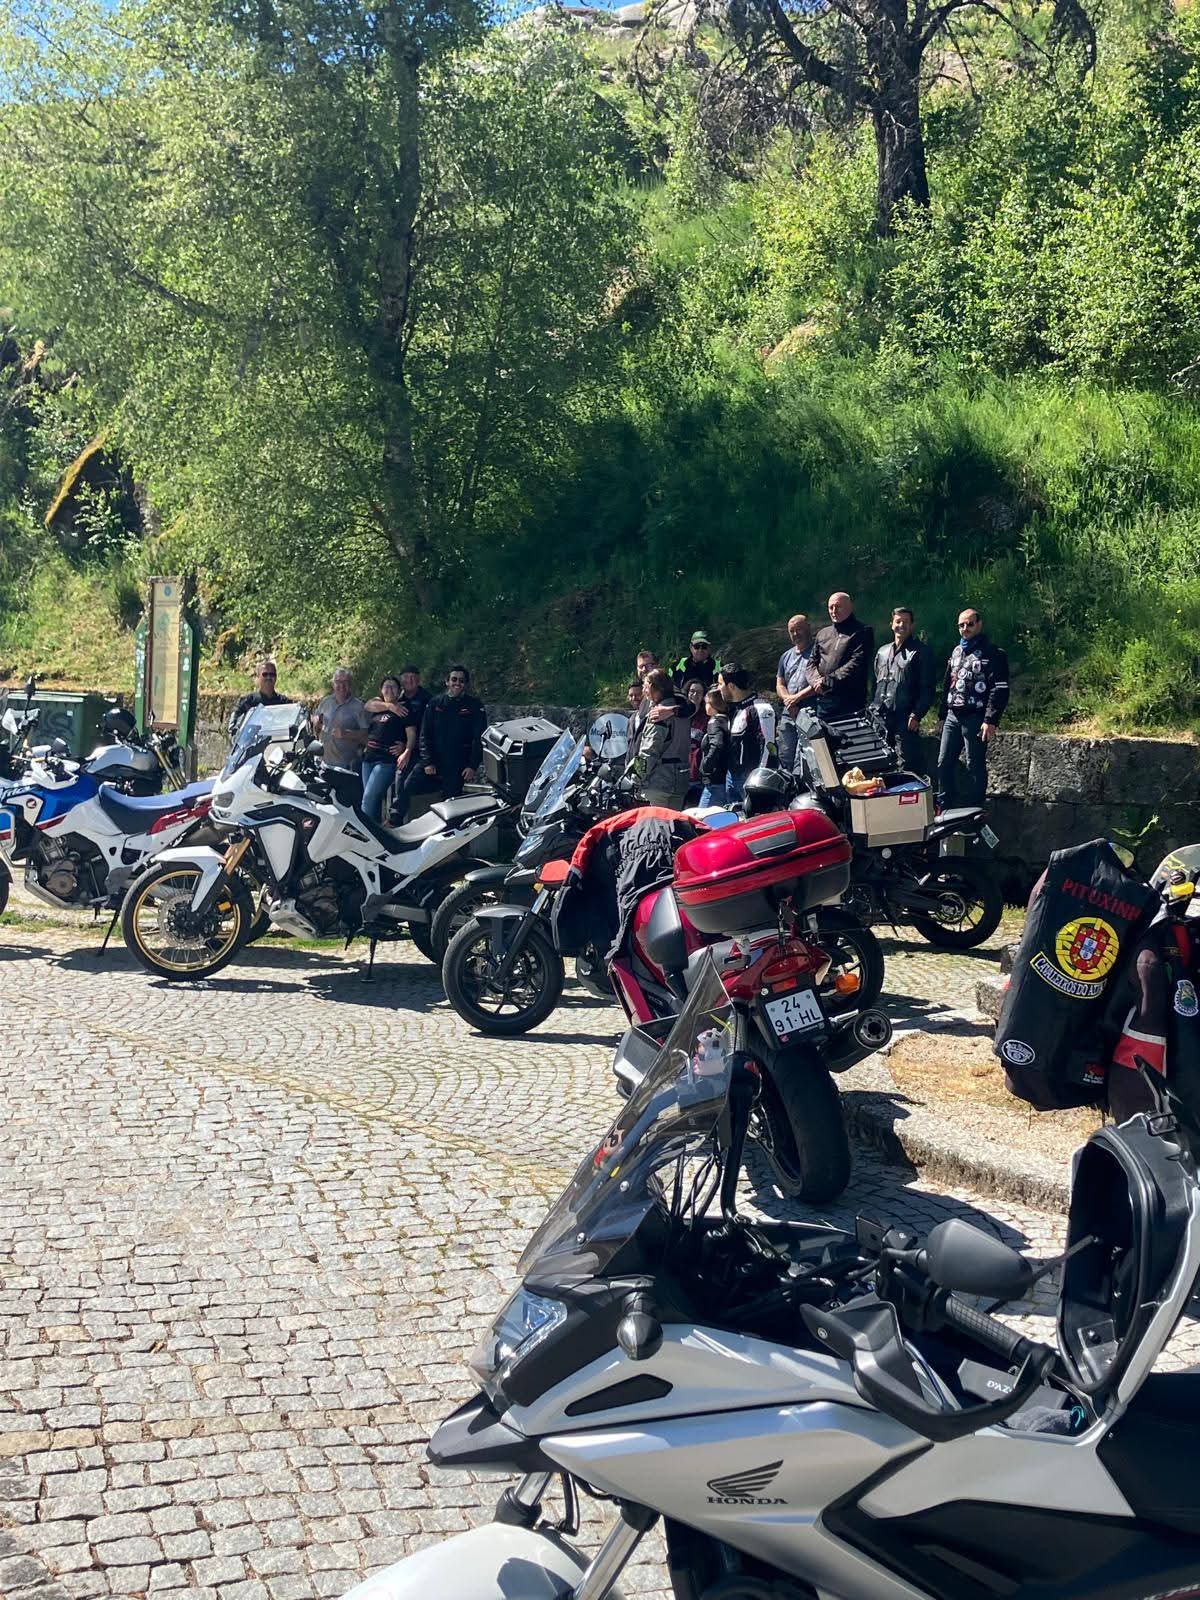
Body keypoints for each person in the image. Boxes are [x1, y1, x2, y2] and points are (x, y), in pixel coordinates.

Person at [936, 607, 1010, 812]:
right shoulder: (956, 651)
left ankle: (974, 809)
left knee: (974, 764)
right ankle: (944, 804)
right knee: (944, 761)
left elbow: (999, 689)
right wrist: (942, 714)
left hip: (976, 717)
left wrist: (991, 719)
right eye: (961, 625)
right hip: (953, 715)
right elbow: (948, 684)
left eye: (969, 624)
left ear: (979, 624)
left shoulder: (993, 653)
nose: (965, 628)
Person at [405, 665, 487, 811]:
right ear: (447, 682)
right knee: (408, 785)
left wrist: (472, 766)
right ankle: (394, 819)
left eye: (461, 681)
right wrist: (428, 761)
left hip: (458, 763)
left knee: (452, 803)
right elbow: (425, 734)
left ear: (466, 684)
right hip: (434, 760)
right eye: (454, 679)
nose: (457, 683)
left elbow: (479, 738)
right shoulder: (435, 703)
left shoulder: (475, 705)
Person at [870, 607, 937, 775]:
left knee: (905, 763)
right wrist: (871, 710)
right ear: (891, 624)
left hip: (905, 717)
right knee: (879, 761)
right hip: (880, 716)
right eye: (898, 621)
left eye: (906, 622)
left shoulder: (921, 652)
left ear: (912, 625)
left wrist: (917, 714)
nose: (901, 625)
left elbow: (927, 688)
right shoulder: (882, 651)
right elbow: (875, 684)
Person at [631, 668, 692, 810]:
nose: (643, 691)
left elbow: (648, 750)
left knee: (654, 823)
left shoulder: (658, 713)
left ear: (653, 687)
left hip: (658, 782)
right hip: (680, 779)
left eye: (645, 686)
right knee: (674, 823)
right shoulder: (682, 712)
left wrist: (635, 777)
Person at [806, 593, 873, 720]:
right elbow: (811, 662)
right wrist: (816, 682)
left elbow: (856, 663)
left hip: (850, 702)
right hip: (823, 701)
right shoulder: (823, 633)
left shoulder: (863, 631)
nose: (834, 611)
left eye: (838, 606)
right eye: (830, 607)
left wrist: (826, 682)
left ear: (850, 607)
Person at [360, 675, 416, 822]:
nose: (389, 689)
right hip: (368, 759)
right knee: (372, 799)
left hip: (386, 761)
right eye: (386, 686)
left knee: (368, 798)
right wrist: (390, 706)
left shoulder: (404, 708)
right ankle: (376, 830)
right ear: (381, 690)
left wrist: (407, 750)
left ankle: (365, 830)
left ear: (399, 691)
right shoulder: (377, 705)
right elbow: (367, 705)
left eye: (393, 686)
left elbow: (411, 733)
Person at [719, 662, 776, 803]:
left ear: (731, 686)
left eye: (720, 684)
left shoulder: (761, 708)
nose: (718, 688)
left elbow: (768, 746)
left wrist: (760, 780)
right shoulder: (734, 708)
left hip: (751, 778)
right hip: (732, 775)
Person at [775, 613, 817, 776]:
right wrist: (788, 700)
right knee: (784, 756)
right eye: (791, 631)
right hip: (788, 714)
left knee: (805, 758)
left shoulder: (818, 652)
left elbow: (820, 682)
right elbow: (780, 684)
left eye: (799, 629)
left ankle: (802, 787)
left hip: (809, 711)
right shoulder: (785, 656)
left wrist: (797, 698)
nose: (795, 634)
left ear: (808, 628)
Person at [313, 667, 370, 771]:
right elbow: (316, 716)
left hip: (345, 765)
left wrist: (345, 734)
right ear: (333, 684)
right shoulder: (325, 702)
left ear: (350, 685)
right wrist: (315, 719)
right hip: (323, 762)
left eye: (345, 682)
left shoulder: (358, 706)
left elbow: (366, 733)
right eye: (338, 682)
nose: (342, 686)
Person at [228, 660, 292, 740]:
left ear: (276, 677)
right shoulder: (248, 701)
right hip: (252, 744)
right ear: (258, 677)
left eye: (272, 674)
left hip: (278, 744)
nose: (269, 677)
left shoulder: (285, 703)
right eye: (265, 674)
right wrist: (235, 736)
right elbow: (233, 725)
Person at [698, 687, 731, 808]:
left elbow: (717, 744)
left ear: (713, 704)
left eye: (706, 703)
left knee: (703, 815)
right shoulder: (728, 720)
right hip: (724, 775)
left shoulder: (714, 722)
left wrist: (706, 765)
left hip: (714, 778)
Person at [682, 678, 707, 783]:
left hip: (696, 772)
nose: (695, 695)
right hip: (677, 770)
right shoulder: (679, 716)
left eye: (699, 692)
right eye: (692, 691)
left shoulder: (706, 718)